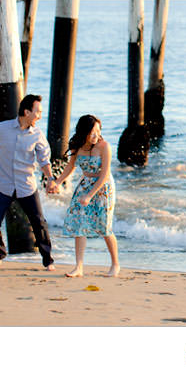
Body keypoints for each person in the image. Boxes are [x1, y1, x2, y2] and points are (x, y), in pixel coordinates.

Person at [0, 93, 56, 270]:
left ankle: (48, 260)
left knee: (39, 223)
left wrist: (51, 179)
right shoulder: (2, 128)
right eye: (37, 112)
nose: (40, 115)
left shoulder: (37, 134)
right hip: (4, 185)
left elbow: (44, 161)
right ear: (26, 111)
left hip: (27, 186)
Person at [49, 114, 119, 278]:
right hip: (84, 184)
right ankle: (79, 266)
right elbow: (70, 167)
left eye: (99, 131)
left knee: (104, 225)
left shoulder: (104, 147)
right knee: (79, 224)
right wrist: (57, 182)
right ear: (84, 132)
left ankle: (115, 264)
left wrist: (89, 195)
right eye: (93, 132)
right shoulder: (76, 146)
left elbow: (104, 174)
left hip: (103, 187)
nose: (97, 135)